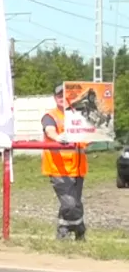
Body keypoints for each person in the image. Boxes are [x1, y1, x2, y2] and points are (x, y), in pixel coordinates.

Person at [41, 84, 88, 240]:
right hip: (59, 169)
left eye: (65, 95)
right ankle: (77, 229)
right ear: (55, 98)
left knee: (74, 203)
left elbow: (88, 137)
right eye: (59, 96)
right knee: (70, 204)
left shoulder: (79, 115)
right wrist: (57, 137)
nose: (62, 98)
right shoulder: (50, 116)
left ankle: (67, 232)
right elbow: (49, 130)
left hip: (78, 168)